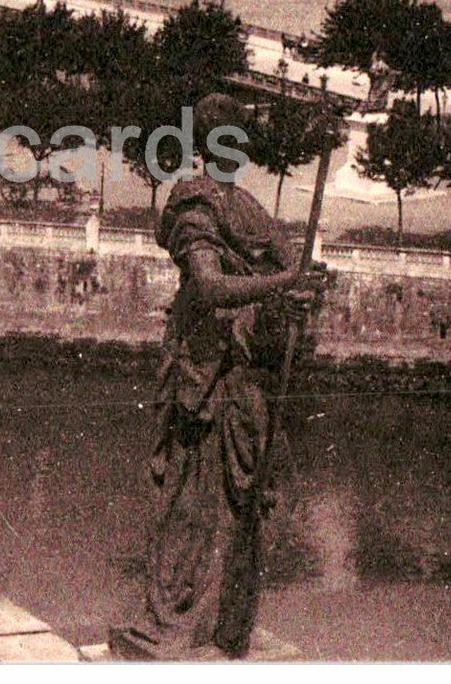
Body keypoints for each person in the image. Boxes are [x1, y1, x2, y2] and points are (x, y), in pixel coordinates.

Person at [133, 93, 326, 658]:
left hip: (242, 373)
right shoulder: (194, 205)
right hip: (203, 370)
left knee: (244, 497)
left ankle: (226, 624)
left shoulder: (248, 209)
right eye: (226, 139)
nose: (236, 151)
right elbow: (211, 288)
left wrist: (304, 284)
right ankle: (174, 617)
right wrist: (282, 285)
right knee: (193, 499)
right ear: (206, 144)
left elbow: (289, 265)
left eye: (241, 141)